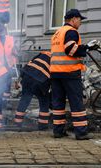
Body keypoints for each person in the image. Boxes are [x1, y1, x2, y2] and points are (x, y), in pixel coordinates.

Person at [50, 9, 100, 140]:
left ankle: (58, 131)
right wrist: (87, 47)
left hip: (55, 73)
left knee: (58, 103)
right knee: (76, 102)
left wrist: (83, 46)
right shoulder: (71, 31)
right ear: (73, 19)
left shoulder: (57, 32)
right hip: (69, 72)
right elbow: (70, 49)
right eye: (80, 20)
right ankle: (81, 132)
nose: (80, 23)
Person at [14, 51, 51, 131]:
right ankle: (43, 126)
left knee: (25, 99)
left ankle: (17, 123)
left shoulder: (43, 53)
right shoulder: (57, 59)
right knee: (44, 101)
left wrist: (19, 79)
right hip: (40, 80)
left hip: (27, 76)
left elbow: (29, 64)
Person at [0, 24, 17, 100]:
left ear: (5, 31)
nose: (1, 32)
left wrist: (15, 51)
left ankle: (6, 100)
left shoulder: (11, 39)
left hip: (9, 65)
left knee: (8, 83)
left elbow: (15, 51)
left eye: (2, 31)